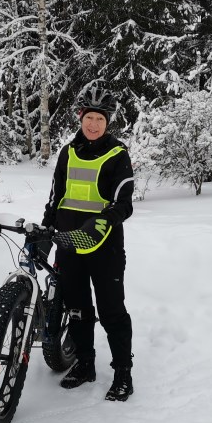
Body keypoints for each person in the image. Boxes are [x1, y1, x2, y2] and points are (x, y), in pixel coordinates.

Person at [43, 84, 136, 402]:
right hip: (69, 244)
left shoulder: (117, 154)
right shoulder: (67, 153)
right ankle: (84, 364)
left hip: (104, 247)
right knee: (77, 309)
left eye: (100, 119)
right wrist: (46, 229)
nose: (93, 124)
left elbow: (124, 204)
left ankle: (123, 373)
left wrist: (104, 220)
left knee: (112, 311)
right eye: (89, 118)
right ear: (80, 118)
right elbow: (56, 197)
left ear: (107, 121)